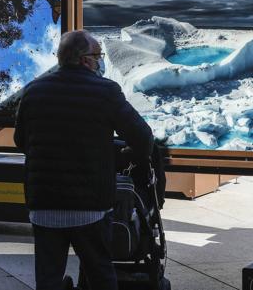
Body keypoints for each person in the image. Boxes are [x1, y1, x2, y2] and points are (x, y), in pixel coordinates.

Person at [14, 30, 154, 290]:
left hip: (44, 205)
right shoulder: (105, 91)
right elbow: (143, 137)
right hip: (90, 207)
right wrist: (126, 156)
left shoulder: (34, 91)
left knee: (48, 279)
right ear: (84, 60)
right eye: (98, 56)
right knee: (100, 274)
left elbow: (20, 141)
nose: (100, 61)